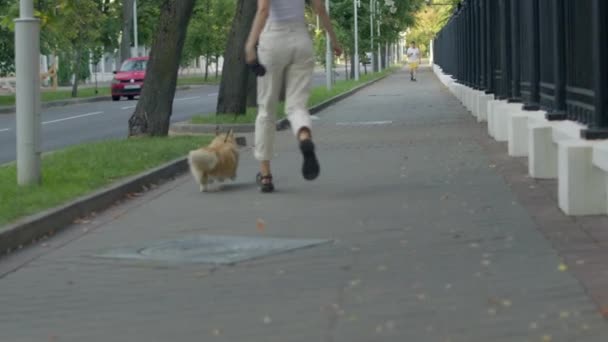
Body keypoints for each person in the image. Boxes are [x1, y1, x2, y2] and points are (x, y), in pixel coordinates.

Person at [245, 0, 342, 193]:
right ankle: (304, 138)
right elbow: (320, 7)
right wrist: (334, 40)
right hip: (300, 39)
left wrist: (250, 45)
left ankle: (265, 176)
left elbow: (263, 10)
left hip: (273, 40)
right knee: (297, 106)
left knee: (266, 109)